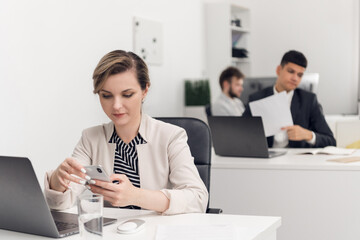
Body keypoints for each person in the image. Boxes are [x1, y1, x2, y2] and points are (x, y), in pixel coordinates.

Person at [44, 50, 208, 215]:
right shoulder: (90, 139)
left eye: (127, 95)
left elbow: (198, 198)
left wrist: (136, 196)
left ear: (145, 91)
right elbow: (61, 204)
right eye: (106, 96)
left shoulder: (171, 136)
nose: (116, 105)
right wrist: (58, 182)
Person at [243, 50, 336, 148]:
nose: (295, 78)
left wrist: (308, 135)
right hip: (265, 158)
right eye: (291, 72)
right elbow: (240, 134)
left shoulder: (309, 100)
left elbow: (331, 141)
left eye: (300, 75)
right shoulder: (257, 98)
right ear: (279, 70)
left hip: (296, 160)